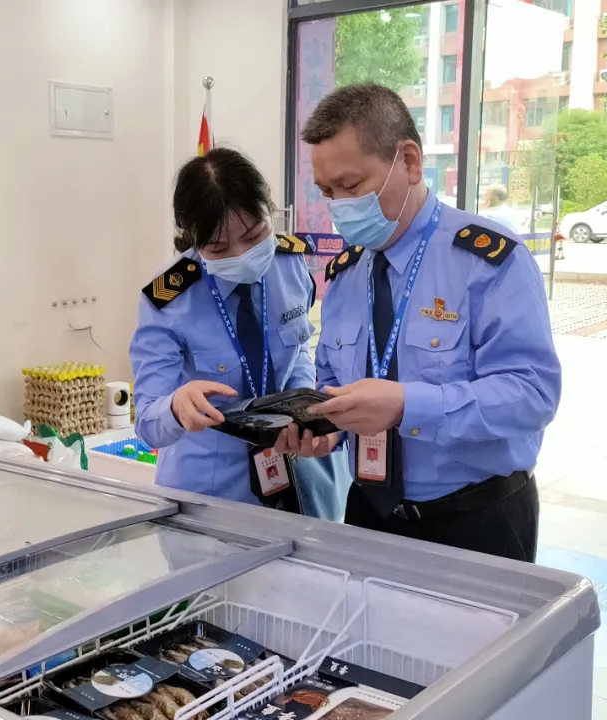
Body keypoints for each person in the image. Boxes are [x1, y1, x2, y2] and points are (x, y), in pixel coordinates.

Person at [297, 83, 561, 562]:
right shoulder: (349, 271)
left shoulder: (487, 260)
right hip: (369, 511)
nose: (338, 206)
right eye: (326, 191)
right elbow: (332, 379)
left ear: (410, 161)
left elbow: (532, 396)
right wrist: (325, 428)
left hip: (475, 521)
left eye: (351, 186)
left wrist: (406, 405)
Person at [129, 148, 338, 508]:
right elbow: (148, 421)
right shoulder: (168, 297)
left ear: (269, 211)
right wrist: (178, 406)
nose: (241, 254)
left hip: (293, 474)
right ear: (193, 238)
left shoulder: (289, 265)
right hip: (207, 490)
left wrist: (302, 401)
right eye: (219, 247)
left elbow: (300, 348)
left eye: (255, 235)